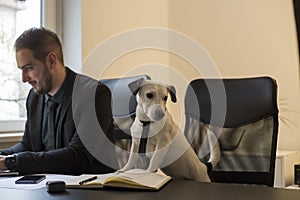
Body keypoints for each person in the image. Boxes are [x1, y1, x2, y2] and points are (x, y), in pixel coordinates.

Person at [0, 27, 116, 175]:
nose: (24, 79)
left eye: (29, 68)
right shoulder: (35, 97)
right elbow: (27, 145)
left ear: (51, 60)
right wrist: (4, 154)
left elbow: (78, 156)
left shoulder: (95, 94)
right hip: (48, 186)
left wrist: (13, 162)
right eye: (21, 70)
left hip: (89, 189)